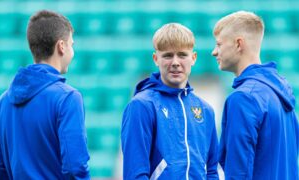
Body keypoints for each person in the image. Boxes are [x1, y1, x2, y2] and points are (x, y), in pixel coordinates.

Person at [0, 10, 90, 179]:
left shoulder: (3, 102)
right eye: (72, 44)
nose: (73, 51)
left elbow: (1, 168)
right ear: (61, 46)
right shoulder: (68, 98)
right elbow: (75, 167)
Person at [121, 23, 219, 180]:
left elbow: (212, 170)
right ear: (156, 59)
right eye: (167, 55)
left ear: (193, 58)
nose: (175, 62)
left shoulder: (205, 110)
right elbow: (135, 172)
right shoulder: (142, 106)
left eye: (182, 55)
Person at [212, 11, 299, 179]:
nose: (214, 52)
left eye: (219, 44)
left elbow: (239, 172)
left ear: (238, 44)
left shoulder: (244, 98)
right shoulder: (282, 92)